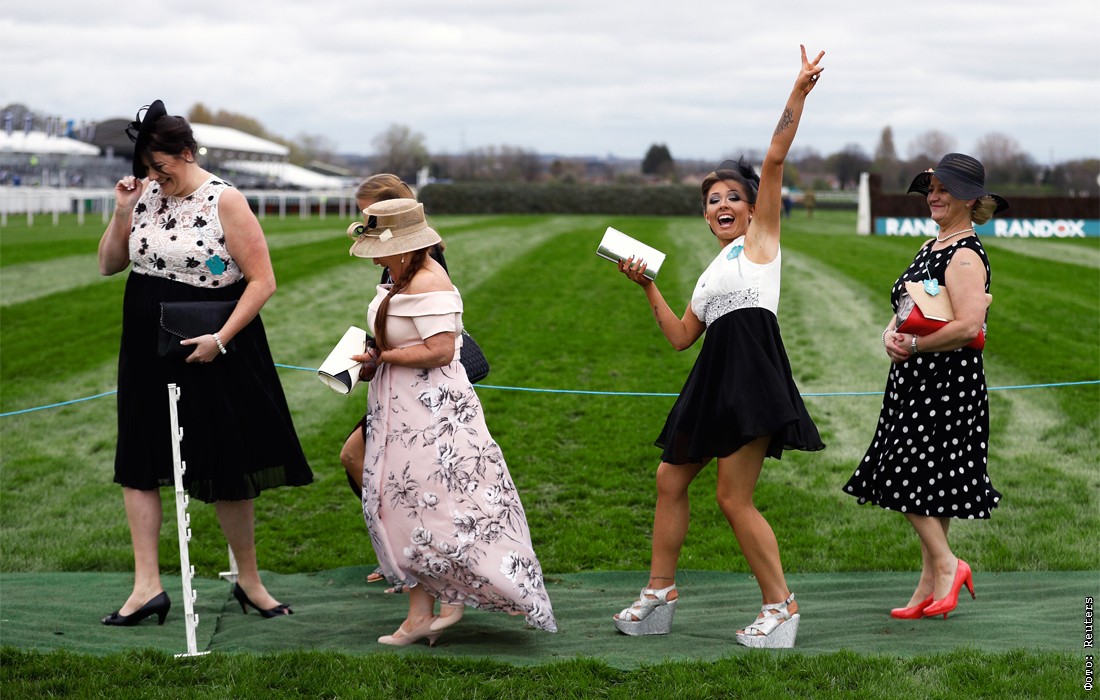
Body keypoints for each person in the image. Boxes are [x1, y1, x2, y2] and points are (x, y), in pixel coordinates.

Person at [611, 46, 826, 649]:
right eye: (713, 200)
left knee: (733, 497)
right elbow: (682, 337)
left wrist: (798, 92)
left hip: (750, 377)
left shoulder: (762, 242)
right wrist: (648, 286)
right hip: (711, 378)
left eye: (733, 196)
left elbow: (775, 157)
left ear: (753, 209)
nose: (722, 205)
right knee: (669, 478)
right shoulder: (712, 271)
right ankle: (659, 594)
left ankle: (781, 607)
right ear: (706, 217)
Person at [97, 100, 312, 626]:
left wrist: (220, 338)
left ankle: (249, 581)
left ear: (187, 153)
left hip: (211, 344)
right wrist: (123, 210)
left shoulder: (225, 200)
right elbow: (108, 264)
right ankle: (146, 588)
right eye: (146, 168)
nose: (153, 176)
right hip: (145, 342)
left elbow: (262, 281)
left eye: (160, 166)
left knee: (226, 462)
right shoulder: (144, 195)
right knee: (139, 458)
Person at [348, 198, 556, 645]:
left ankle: (459, 595)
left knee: (440, 504)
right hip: (398, 405)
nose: (375, 258)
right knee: (401, 503)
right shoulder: (400, 276)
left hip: (432, 412)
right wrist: (373, 360)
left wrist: (385, 357)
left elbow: (442, 350)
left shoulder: (430, 281)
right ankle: (419, 614)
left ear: (405, 246)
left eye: (381, 248)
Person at [843, 153, 1007, 620]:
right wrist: (889, 335)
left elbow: (969, 327)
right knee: (932, 485)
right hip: (917, 380)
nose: (933, 196)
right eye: (931, 188)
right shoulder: (931, 246)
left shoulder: (965, 254)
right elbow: (907, 307)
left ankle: (950, 565)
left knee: (903, 474)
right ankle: (929, 586)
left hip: (946, 385)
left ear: (970, 199)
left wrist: (914, 346)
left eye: (944, 189)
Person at [336, 174, 448, 593]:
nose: (365, 225)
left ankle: (411, 558)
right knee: (369, 462)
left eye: (369, 216)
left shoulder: (423, 262)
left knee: (401, 476)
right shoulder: (395, 258)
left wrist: (381, 354)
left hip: (416, 389)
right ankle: (400, 554)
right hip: (394, 384)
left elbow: (436, 343)